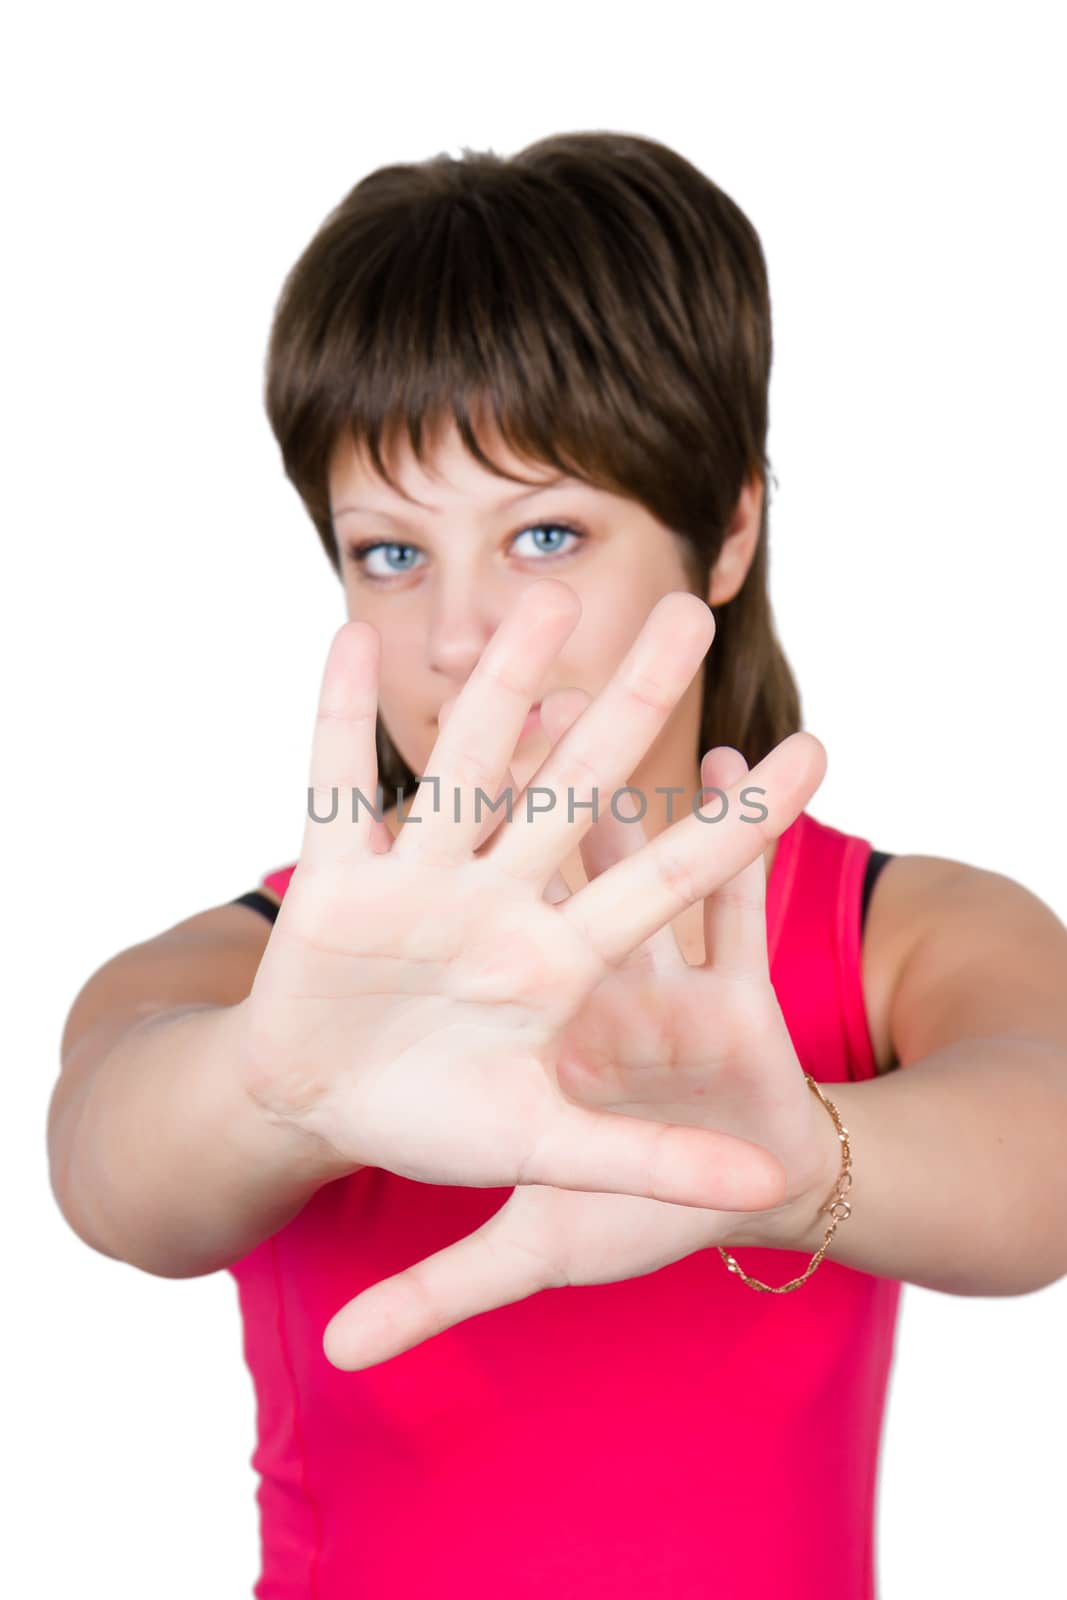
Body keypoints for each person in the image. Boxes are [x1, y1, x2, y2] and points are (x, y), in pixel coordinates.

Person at [49, 132, 1067, 1600]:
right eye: (391, 553)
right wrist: (276, 1085)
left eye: (544, 531)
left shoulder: (903, 934)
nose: (461, 637)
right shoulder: (255, 966)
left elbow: (1044, 1155)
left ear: (726, 529)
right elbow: (110, 1165)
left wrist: (791, 1173)